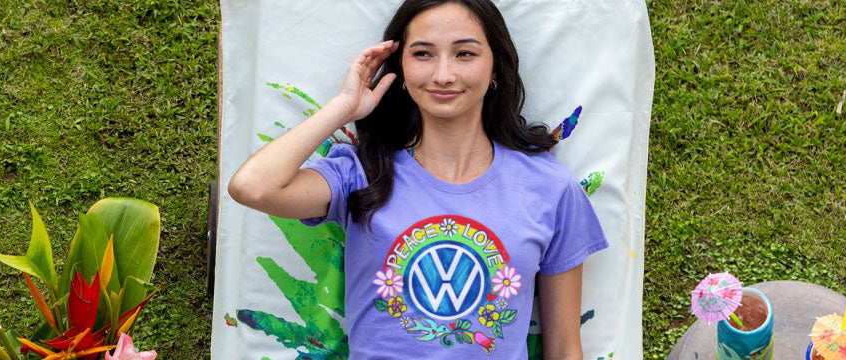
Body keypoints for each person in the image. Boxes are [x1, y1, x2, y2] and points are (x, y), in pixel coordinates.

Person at [226, 0, 607, 358]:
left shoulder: (549, 186)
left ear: (495, 69)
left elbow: (564, 349)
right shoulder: (362, 171)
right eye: (423, 54)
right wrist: (344, 106)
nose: (443, 74)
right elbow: (252, 186)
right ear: (401, 71)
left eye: (465, 53)